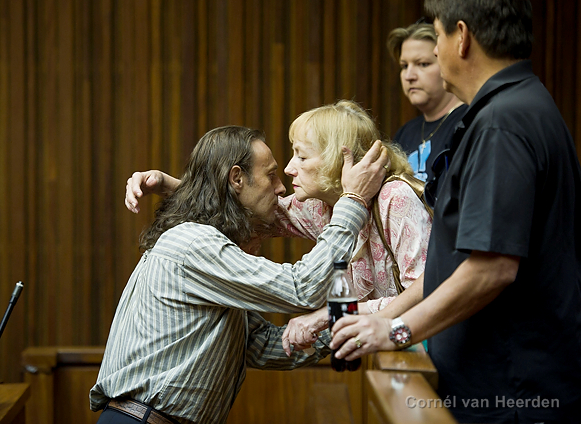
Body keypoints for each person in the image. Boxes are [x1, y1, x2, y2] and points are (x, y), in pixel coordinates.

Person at [330, 0, 581, 424]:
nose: (436, 50)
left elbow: (491, 269)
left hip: (510, 393)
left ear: (461, 37)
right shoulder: (523, 104)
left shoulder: (502, 123)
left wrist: (396, 330)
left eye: (438, 36)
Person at [91, 125, 388, 424]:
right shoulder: (193, 243)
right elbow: (301, 288)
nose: (281, 188)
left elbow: (263, 345)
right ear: (236, 178)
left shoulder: (198, 246)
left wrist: (347, 326)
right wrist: (353, 201)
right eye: (271, 175)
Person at [124, 101, 433, 354]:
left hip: (425, 341)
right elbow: (242, 207)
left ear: (337, 161)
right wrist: (171, 186)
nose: (289, 168)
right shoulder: (318, 206)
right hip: (387, 347)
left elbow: (429, 287)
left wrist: (329, 315)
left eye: (302, 156)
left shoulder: (393, 197)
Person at [387, 21, 466, 194]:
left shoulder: (468, 122)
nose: (409, 76)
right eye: (404, 66)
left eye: (422, 64)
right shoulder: (405, 132)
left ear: (446, 63)